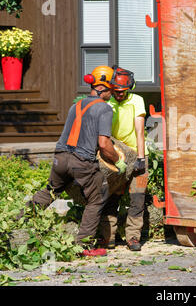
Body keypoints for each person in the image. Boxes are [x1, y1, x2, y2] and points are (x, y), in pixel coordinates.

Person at [25, 66, 128, 256]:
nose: (113, 92)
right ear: (104, 87)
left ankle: (18, 221)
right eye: (112, 88)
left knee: (50, 192)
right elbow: (104, 144)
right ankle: (83, 245)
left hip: (60, 158)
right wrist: (118, 162)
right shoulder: (104, 108)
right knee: (97, 198)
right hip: (82, 161)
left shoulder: (76, 105)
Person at [99, 66, 148, 251]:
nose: (119, 94)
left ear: (129, 88)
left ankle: (133, 238)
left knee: (137, 196)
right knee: (110, 197)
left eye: (122, 91)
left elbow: (140, 131)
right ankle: (108, 237)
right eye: (116, 91)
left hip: (137, 153)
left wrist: (141, 158)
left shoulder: (137, 100)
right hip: (114, 155)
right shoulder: (106, 103)